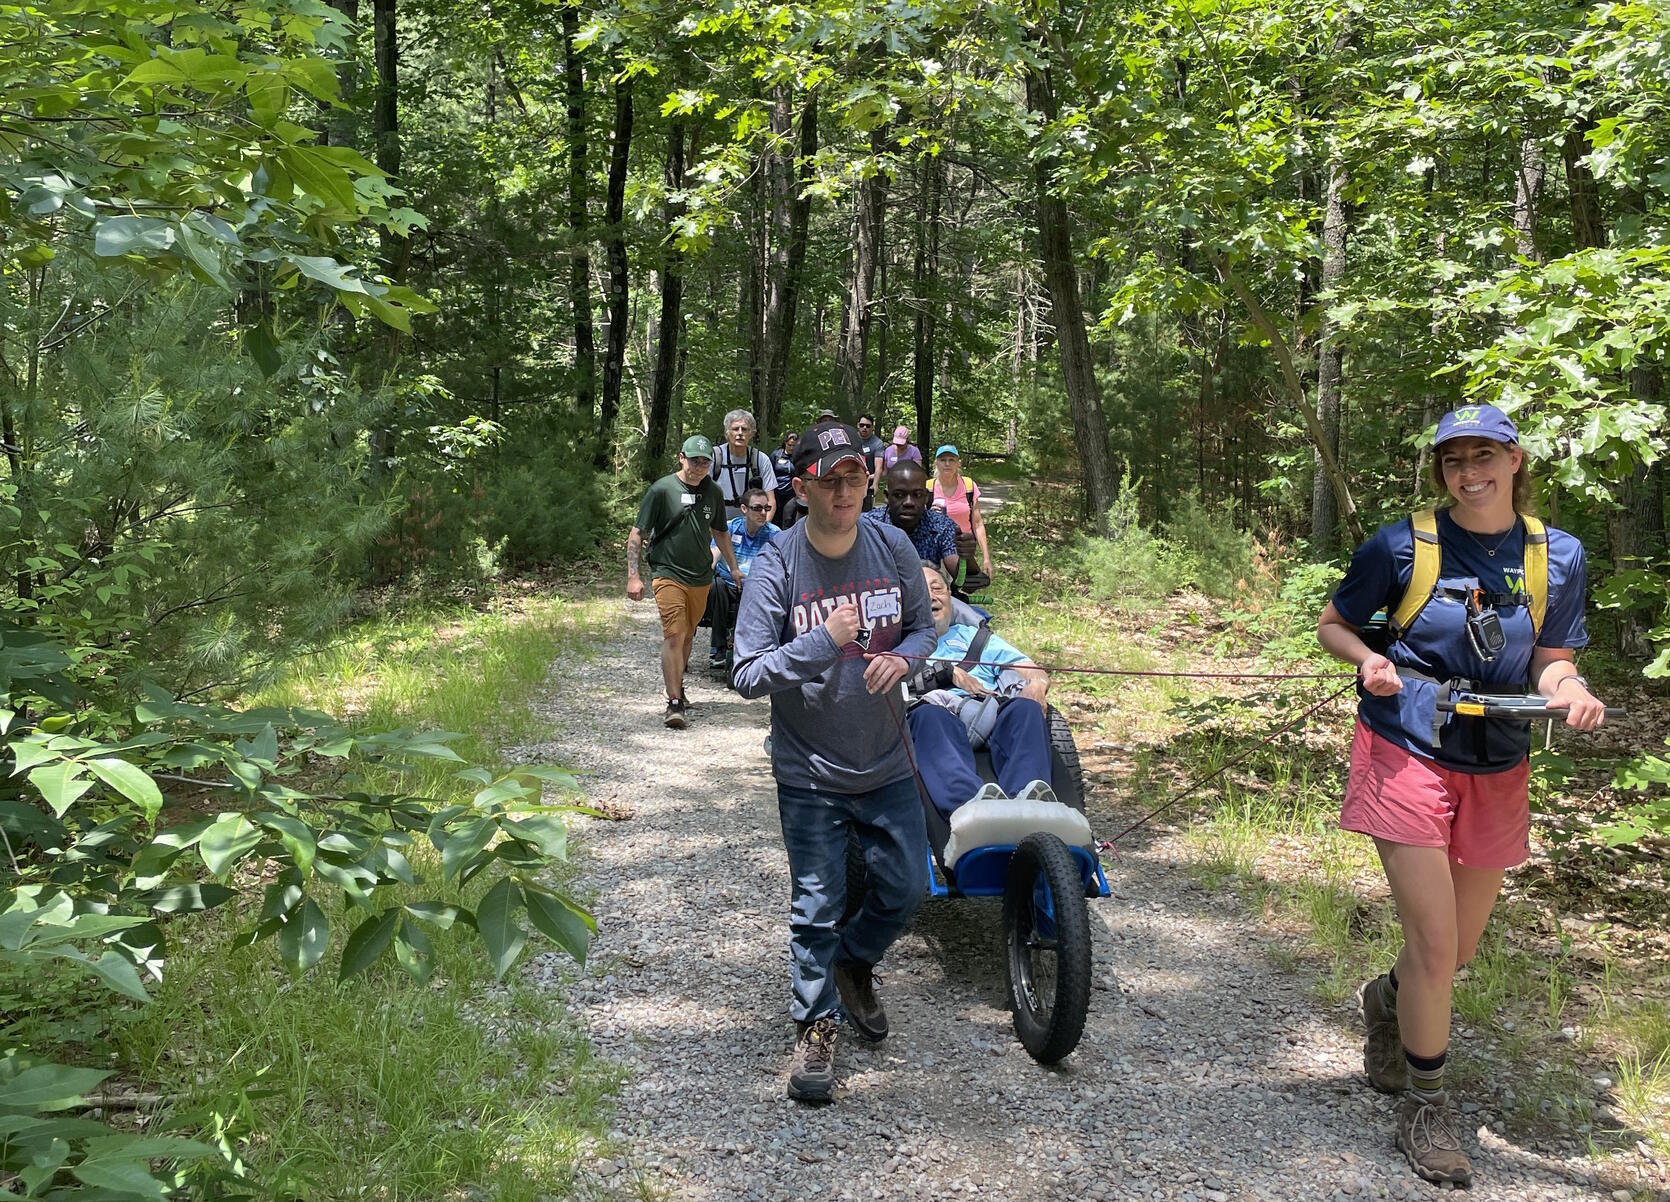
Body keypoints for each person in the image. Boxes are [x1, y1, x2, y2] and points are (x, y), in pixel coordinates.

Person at [1316, 403, 1605, 1188]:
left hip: (1498, 759)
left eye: (1484, 456)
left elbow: (1552, 658)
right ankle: (1426, 1103)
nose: (1469, 473)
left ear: (1515, 460)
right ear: (1441, 470)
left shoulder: (1558, 555)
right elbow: (1336, 624)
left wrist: (1570, 689)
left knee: (1456, 953)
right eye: (1453, 461)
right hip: (1403, 743)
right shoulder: (1403, 543)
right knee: (1438, 947)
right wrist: (1369, 662)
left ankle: (1386, 997)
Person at [732, 419, 938, 1105]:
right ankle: (816, 1025)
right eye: (831, 479)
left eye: (856, 476)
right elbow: (747, 672)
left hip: (886, 756)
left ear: (868, 479)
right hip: (810, 768)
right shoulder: (777, 565)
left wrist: (903, 659)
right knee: (816, 905)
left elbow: (923, 627)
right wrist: (822, 643)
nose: (845, 489)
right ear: (802, 486)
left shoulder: (894, 546)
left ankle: (854, 961)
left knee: (910, 887)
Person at [904, 564, 1052, 818]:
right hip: (936, 717)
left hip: (989, 711)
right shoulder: (899, 642)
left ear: (949, 595)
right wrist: (943, 672)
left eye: (937, 588)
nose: (930, 596)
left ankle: (1030, 800)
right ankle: (970, 807)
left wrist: (1037, 686)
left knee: (1025, 709)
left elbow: (1030, 669)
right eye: (919, 590)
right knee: (928, 717)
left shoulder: (975, 637)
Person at [626, 434, 741, 729]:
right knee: (674, 635)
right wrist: (634, 576)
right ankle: (674, 702)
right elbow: (637, 533)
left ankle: (679, 684)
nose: (699, 466)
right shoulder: (662, 490)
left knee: (688, 636)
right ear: (681, 457)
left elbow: (720, 532)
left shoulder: (713, 491)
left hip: (701, 575)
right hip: (667, 572)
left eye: (705, 461)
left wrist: (734, 568)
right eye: (694, 460)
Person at [705, 487, 780, 671]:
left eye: (766, 508)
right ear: (744, 509)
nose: (763, 513)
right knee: (716, 587)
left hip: (757, 587)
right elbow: (714, 553)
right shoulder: (730, 527)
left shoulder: (774, 533)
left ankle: (751, 651)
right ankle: (719, 648)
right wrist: (707, 570)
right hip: (728, 583)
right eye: (757, 508)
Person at [864, 460, 960, 580]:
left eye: (917, 495)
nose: (909, 502)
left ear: (926, 497)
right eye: (899, 495)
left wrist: (967, 558)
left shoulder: (941, 525)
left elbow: (963, 577)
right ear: (887, 497)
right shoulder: (868, 526)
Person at [930, 444, 994, 589]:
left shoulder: (968, 486)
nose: (947, 464)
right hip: (937, 552)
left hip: (963, 550)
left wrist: (986, 559)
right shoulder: (928, 488)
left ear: (958, 463)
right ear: (936, 463)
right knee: (939, 591)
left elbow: (978, 524)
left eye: (951, 460)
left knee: (962, 591)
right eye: (942, 459)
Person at [712, 408, 777, 521]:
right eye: (735, 429)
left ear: (751, 434)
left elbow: (770, 500)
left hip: (752, 523)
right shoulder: (714, 457)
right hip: (718, 521)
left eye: (745, 429)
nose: (740, 433)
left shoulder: (760, 459)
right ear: (727, 433)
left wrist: (763, 526)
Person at [856, 413, 886, 512]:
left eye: (868, 426)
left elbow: (878, 466)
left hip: (868, 482)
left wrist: (876, 484)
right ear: (858, 425)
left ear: (872, 428)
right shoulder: (851, 439)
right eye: (862, 425)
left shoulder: (877, 443)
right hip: (852, 481)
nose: (864, 428)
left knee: (866, 511)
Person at [770, 431, 800, 527]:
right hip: (776, 493)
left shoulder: (798, 457)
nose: (791, 448)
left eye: (794, 446)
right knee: (775, 519)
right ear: (785, 443)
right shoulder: (776, 455)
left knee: (788, 519)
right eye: (789, 445)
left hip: (791, 494)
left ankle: (787, 540)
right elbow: (769, 472)